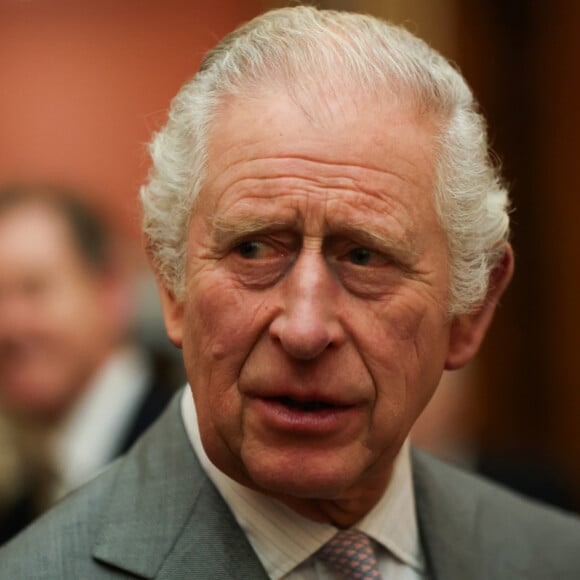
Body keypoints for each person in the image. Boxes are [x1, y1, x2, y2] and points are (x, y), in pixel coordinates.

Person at [1, 6, 579, 578]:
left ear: (469, 313)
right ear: (173, 286)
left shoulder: (554, 556)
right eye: (253, 249)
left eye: (363, 256)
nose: (303, 329)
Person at [0, 184, 179, 543]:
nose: (9, 324)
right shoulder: (21, 500)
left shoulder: (186, 457)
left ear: (111, 290)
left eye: (33, 288)